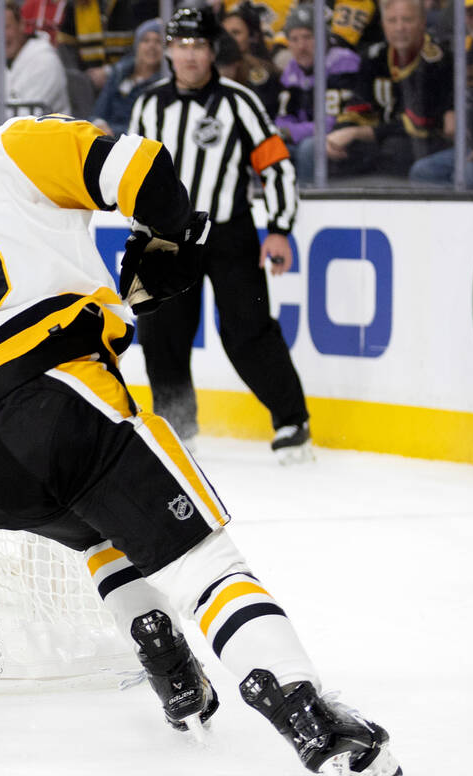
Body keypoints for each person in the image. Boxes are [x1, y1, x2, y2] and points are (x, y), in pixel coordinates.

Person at [0, 84, 401, 776]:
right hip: (63, 400)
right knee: (203, 559)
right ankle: (313, 721)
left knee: (105, 533)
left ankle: (174, 676)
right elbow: (143, 169)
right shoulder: (8, 148)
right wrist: (171, 240)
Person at [129, 7, 311, 461]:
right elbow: (131, 173)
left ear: (213, 51)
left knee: (249, 331)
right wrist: (138, 234)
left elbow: (277, 164)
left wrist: (280, 228)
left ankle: (293, 423)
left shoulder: (239, 101)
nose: (189, 56)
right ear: (169, 51)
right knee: (161, 334)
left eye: (198, 47)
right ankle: (178, 427)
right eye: (182, 46)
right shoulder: (148, 104)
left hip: (229, 234)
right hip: (167, 237)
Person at [311, 0, 452, 180]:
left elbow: (417, 125)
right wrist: (339, 133)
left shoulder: (436, 61)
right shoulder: (374, 57)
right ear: (383, 24)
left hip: (424, 142)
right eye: (392, 21)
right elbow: (358, 109)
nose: (399, 27)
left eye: (407, 20)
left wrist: (355, 133)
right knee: (325, 149)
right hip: (379, 140)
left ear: (422, 22)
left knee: (395, 149)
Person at [409, 0, 473, 188]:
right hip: (472, 147)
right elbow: (455, 91)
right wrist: (450, 110)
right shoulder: (467, 48)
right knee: (422, 172)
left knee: (469, 175)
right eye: (470, 14)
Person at [275, 4, 363, 180]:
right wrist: (283, 132)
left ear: (323, 37)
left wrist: (291, 132)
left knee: (309, 149)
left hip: (346, 141)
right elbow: (283, 119)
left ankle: (307, 203)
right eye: (294, 39)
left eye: (308, 37)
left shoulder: (343, 62)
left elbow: (334, 121)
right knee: (269, 149)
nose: (301, 46)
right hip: (306, 138)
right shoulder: (292, 69)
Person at [0, 0, 70, 127]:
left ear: (21, 25)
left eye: (6, 27)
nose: (1, 36)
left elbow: (29, 119)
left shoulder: (46, 61)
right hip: (0, 142)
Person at [90, 18, 168, 136]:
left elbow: (149, 128)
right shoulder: (119, 72)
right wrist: (99, 123)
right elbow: (98, 112)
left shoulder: (163, 84)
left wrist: (114, 132)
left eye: (158, 41)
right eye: (146, 40)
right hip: (103, 136)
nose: (151, 46)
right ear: (137, 45)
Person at [220, 4, 283, 115]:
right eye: (225, 33)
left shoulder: (264, 72)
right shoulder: (210, 65)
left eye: (236, 33)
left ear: (253, 37)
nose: (228, 38)